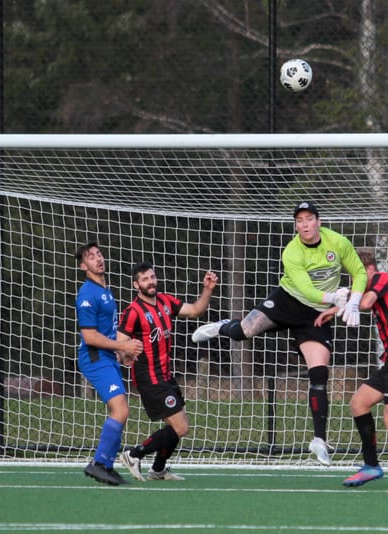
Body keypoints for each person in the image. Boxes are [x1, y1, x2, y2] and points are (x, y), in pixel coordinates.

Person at [192, 201, 367, 466]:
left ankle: (319, 440)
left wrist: (353, 301)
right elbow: (307, 290)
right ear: (296, 225)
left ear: (319, 221)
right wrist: (334, 297)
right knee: (244, 331)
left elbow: (359, 272)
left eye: (309, 219)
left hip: (314, 317)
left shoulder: (338, 242)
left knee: (319, 372)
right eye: (300, 220)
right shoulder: (292, 252)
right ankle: (221, 326)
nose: (305, 224)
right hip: (288, 301)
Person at [314, 250, 388, 490]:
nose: (354, 281)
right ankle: (371, 466)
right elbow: (363, 300)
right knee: (358, 403)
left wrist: (345, 303)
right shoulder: (377, 284)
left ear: (362, 268)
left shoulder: (382, 278)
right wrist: (335, 310)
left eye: (354, 273)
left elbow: (365, 302)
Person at [117, 261, 218, 482]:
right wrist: (125, 354)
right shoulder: (133, 312)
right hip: (149, 378)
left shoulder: (165, 301)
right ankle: (134, 454)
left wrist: (208, 289)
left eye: (152, 277)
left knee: (179, 426)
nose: (150, 282)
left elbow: (195, 310)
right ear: (136, 285)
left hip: (166, 376)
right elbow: (120, 343)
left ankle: (158, 469)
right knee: (180, 427)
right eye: (144, 279)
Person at [74, 241, 145, 486]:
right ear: (84, 266)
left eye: (99, 254)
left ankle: (106, 464)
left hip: (106, 357)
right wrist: (124, 346)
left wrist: (121, 353)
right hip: (94, 358)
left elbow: (107, 331)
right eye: (91, 257)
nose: (98, 258)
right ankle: (98, 463)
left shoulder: (105, 290)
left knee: (121, 410)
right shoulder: (87, 294)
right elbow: (90, 336)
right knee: (121, 410)